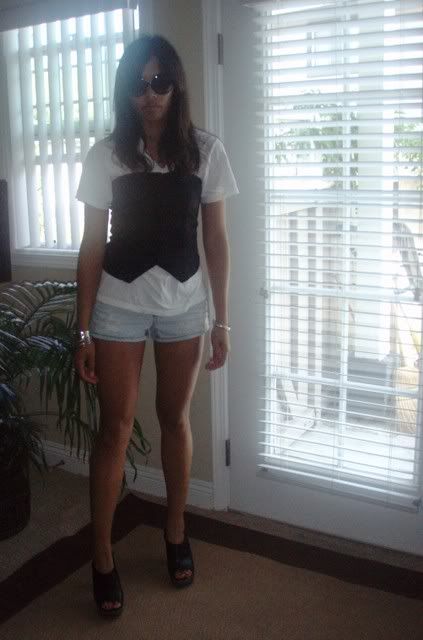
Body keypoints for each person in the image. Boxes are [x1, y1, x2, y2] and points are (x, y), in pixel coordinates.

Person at [74, 34, 239, 618]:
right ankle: (101, 556)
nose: (149, 94)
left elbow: (216, 240)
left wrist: (222, 320)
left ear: (176, 86)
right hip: (118, 304)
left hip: (184, 306)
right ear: (127, 91)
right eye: (138, 84)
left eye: (160, 82)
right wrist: (83, 330)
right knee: (114, 430)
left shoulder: (206, 151)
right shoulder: (106, 155)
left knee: (175, 419)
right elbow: (92, 245)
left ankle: (175, 531)